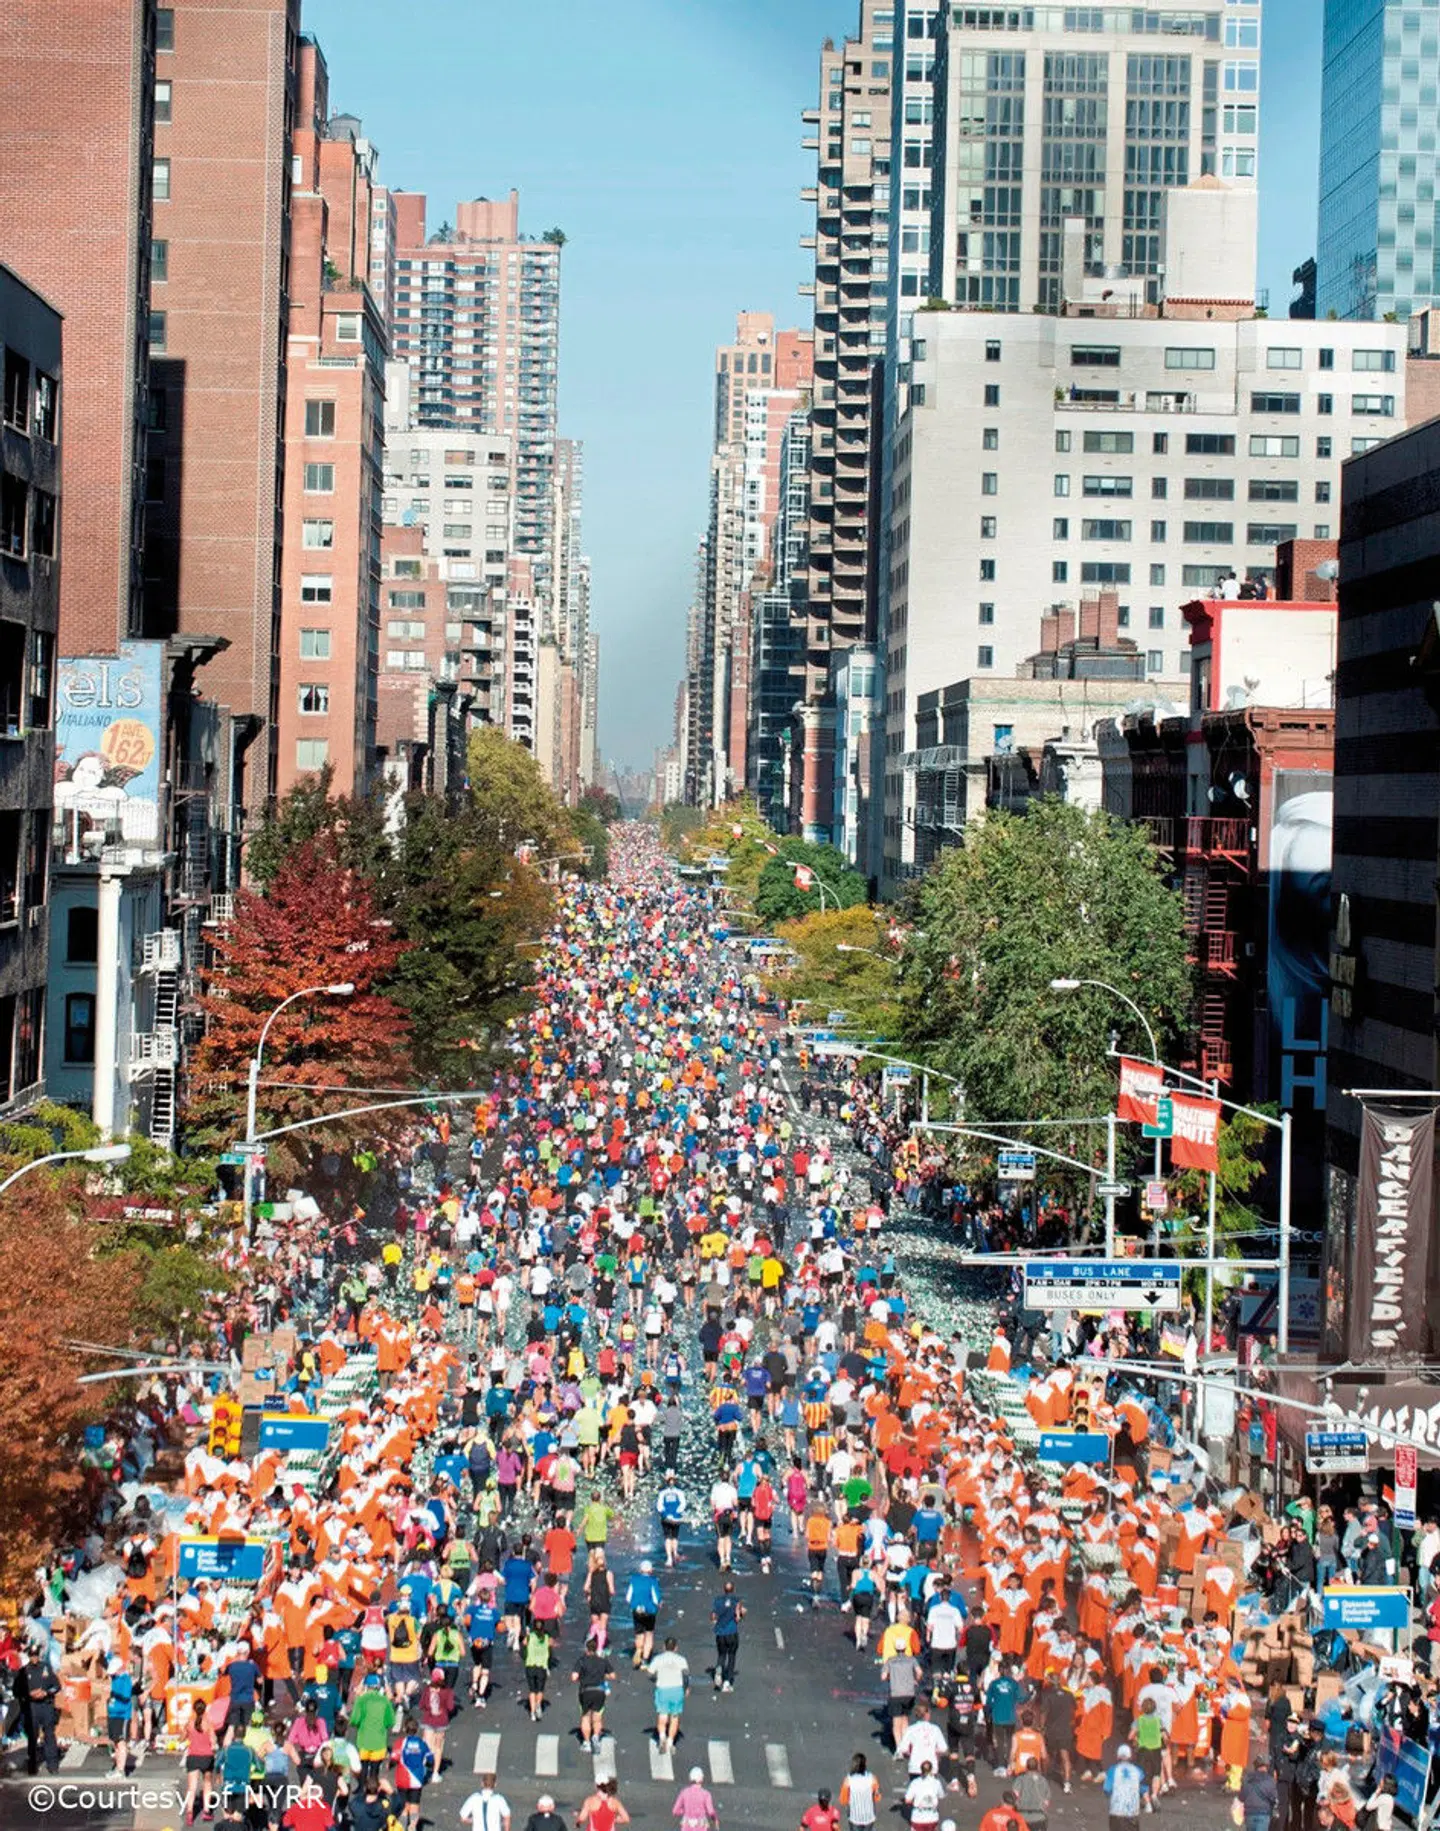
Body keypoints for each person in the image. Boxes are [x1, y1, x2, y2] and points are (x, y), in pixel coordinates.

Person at [648, 1636, 691, 1754]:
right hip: (677, 1689)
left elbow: (650, 1674)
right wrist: (686, 1688)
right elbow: (686, 1675)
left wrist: (657, 1680)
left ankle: (662, 1737)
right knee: (675, 1717)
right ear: (676, 1648)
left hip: (663, 1689)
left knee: (663, 1715)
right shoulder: (681, 1660)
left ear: (664, 1647)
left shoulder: (658, 1659)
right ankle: (670, 1742)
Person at [572, 1636, 615, 1754]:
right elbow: (613, 1675)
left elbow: (574, 1677)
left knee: (585, 1717)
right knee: (597, 1717)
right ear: (596, 1649)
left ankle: (586, 1743)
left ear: (586, 1649)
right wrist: (602, 1676)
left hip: (586, 1691)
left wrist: (583, 1678)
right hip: (599, 1691)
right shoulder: (602, 1661)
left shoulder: (581, 1660)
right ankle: (596, 1737)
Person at [1104, 1743, 1149, 1831]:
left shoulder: (1113, 1770)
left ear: (1118, 1756)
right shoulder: (1138, 1771)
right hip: (1133, 1812)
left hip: (1116, 1812)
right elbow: (1144, 1789)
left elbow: (1107, 1789)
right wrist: (1147, 1803)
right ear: (1130, 1757)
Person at [626, 1560, 662, 1668]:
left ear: (640, 1570)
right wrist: (659, 1604)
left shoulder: (634, 1580)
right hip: (649, 1611)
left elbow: (628, 1598)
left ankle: (638, 1652)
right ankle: (645, 1660)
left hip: (636, 1610)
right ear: (651, 1570)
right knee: (649, 1634)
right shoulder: (653, 1581)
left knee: (639, 1634)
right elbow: (656, 1598)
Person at [711, 1579, 744, 1692]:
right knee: (731, 1656)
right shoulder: (736, 1601)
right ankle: (727, 1682)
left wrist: (717, 1621)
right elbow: (738, 1617)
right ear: (733, 1589)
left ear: (724, 1590)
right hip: (732, 1633)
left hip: (720, 1633)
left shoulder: (717, 1600)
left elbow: (713, 1616)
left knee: (721, 1655)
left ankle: (719, 1669)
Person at [104, 1654, 134, 1777]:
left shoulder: (125, 1679)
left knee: (121, 1742)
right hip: (113, 1714)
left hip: (122, 1715)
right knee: (115, 1742)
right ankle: (117, 1766)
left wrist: (113, 1693)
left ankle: (121, 1770)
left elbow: (126, 1696)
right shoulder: (115, 1678)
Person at [839, 1753, 879, 1831]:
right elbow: (877, 1797)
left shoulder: (848, 1780)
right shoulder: (872, 1778)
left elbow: (843, 1800)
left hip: (855, 1817)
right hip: (869, 1816)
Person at [674, 1766, 720, 1831]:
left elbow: (675, 1811)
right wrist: (715, 1820)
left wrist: (685, 1811)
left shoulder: (684, 1792)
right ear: (701, 1779)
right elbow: (711, 1812)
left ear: (690, 1778)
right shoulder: (706, 1794)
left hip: (686, 1826)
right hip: (700, 1827)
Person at [904, 1759, 946, 1831]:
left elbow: (907, 1800)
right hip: (932, 1817)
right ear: (931, 1769)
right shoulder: (936, 1782)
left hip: (918, 1817)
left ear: (921, 1770)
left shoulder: (915, 1782)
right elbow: (941, 1795)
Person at [1242, 1757, 1280, 1831]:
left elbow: (1242, 1797)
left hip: (1249, 1814)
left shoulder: (1247, 1778)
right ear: (1265, 1767)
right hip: (1263, 1814)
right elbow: (1274, 1798)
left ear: (1255, 1767)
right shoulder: (1270, 1780)